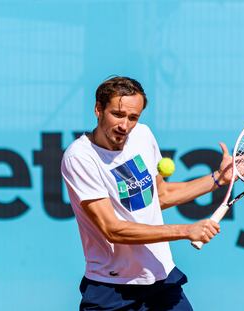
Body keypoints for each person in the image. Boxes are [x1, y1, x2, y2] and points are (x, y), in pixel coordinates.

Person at [61, 76, 235, 310]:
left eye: (133, 117)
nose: (125, 125)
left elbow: (160, 195)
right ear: (98, 109)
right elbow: (112, 229)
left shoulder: (142, 135)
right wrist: (186, 230)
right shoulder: (80, 157)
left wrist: (217, 179)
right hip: (111, 288)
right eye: (118, 114)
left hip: (161, 278)